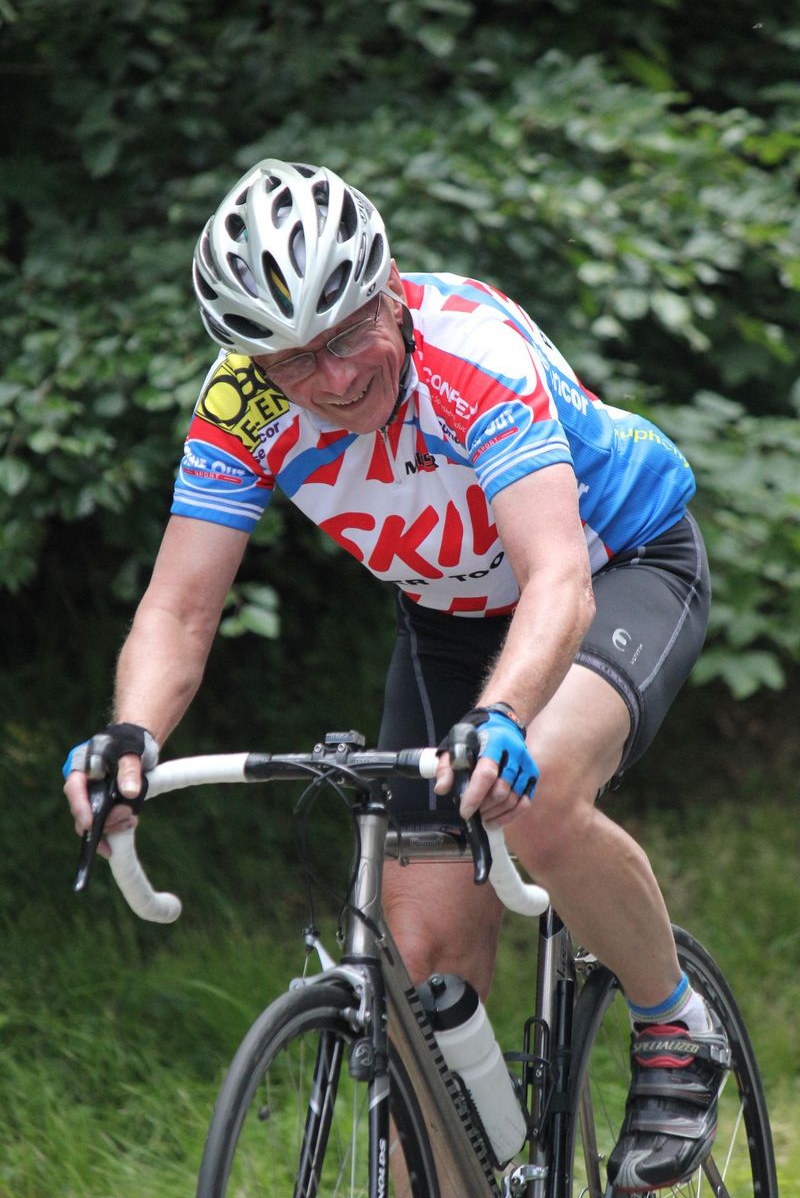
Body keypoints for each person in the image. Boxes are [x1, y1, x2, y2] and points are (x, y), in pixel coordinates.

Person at [64, 159, 729, 1192]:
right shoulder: (241, 406)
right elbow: (180, 608)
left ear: (388, 292)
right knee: (416, 981)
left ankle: (673, 1023)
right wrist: (132, 736)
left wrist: (504, 716)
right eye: (292, 360)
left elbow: (556, 580)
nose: (332, 380)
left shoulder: (472, 352)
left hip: (616, 567)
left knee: (540, 789)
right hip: (451, 619)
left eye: (345, 336)